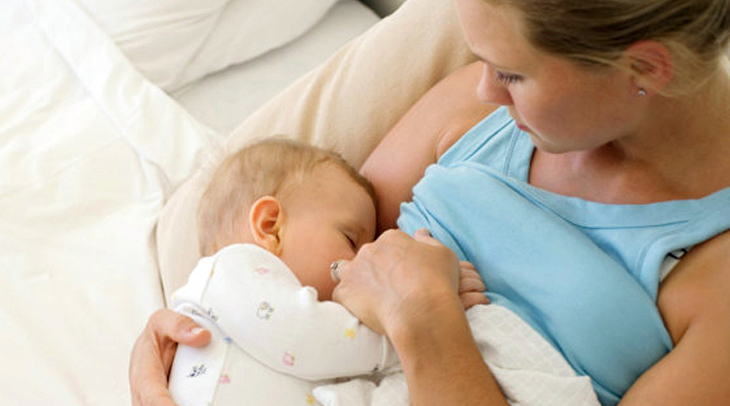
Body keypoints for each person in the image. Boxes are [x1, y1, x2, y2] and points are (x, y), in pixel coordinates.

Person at [131, 0, 730, 405]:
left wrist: (425, 316)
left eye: (512, 73)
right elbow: (314, 262)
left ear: (645, 68)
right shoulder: (479, 117)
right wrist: (189, 343)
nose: (482, 87)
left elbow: (396, 296)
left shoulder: (716, 276)